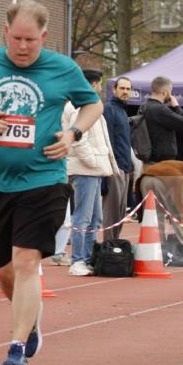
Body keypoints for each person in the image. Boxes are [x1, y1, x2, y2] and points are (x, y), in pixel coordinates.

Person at [0, 0, 102, 365]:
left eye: (30, 40)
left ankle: (17, 349)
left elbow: (93, 105)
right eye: (16, 38)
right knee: (4, 272)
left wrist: (72, 134)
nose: (22, 47)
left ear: (44, 37)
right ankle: (30, 320)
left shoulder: (62, 68)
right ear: (5, 33)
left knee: (26, 261)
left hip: (44, 180)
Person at [62, 69, 118, 276]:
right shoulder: (80, 108)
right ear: (92, 85)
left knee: (95, 218)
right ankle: (78, 259)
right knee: (83, 216)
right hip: (85, 169)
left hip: (94, 169)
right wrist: (93, 161)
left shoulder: (92, 107)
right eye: (99, 84)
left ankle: (89, 256)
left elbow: (103, 140)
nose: (101, 88)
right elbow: (78, 139)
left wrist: (110, 164)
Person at [103, 76, 133, 229]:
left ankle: (116, 247)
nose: (125, 91)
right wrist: (111, 168)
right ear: (114, 90)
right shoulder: (109, 108)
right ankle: (110, 247)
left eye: (128, 89)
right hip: (115, 168)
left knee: (120, 212)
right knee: (112, 212)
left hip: (125, 167)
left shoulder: (122, 110)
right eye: (122, 88)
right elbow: (108, 140)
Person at [142, 76, 183, 164]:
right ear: (165, 92)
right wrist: (176, 106)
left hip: (148, 158)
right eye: (170, 92)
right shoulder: (160, 109)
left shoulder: (143, 106)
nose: (171, 95)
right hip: (162, 162)